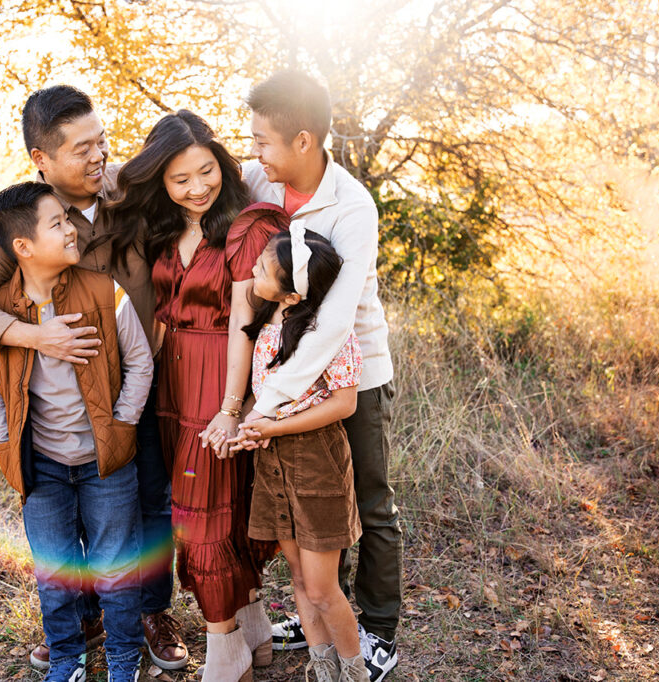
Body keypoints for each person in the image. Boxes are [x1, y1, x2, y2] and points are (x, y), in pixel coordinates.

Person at [0, 85, 188, 671]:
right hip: (70, 400)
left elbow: (197, 170)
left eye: (102, 140)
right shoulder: (26, 218)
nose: (99, 156)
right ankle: (82, 624)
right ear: (42, 160)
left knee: (149, 498)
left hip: (143, 373)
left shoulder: (124, 184)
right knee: (73, 513)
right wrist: (37, 336)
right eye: (83, 149)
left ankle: (151, 610)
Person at [101, 110, 280, 681]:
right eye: (181, 179)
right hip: (169, 387)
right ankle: (254, 630)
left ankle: (225, 648)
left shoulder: (246, 227)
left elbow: (245, 327)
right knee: (203, 514)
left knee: (208, 518)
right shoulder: (163, 229)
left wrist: (232, 409)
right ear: (161, 182)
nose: (198, 187)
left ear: (222, 165)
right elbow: (158, 320)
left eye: (207, 171)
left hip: (219, 382)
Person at [242, 71, 402, 681]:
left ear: (303, 140)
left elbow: (333, 325)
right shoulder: (263, 178)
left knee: (367, 498)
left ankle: (377, 630)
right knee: (303, 504)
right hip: (280, 370)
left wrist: (269, 403)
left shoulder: (353, 207)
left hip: (347, 375)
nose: (254, 152)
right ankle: (319, 607)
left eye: (263, 141)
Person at [0, 181, 153, 682]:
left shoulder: (102, 290)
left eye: (67, 219)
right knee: (54, 574)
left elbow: (139, 362)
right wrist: (5, 445)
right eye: (57, 223)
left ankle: (122, 654)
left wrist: (122, 426)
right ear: (23, 247)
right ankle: (68, 656)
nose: (72, 228)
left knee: (116, 568)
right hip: (41, 465)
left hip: (105, 459)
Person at [229, 223, 370, 682]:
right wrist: (249, 426)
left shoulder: (326, 333)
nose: (254, 267)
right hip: (271, 460)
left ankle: (353, 674)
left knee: (323, 586)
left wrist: (275, 426)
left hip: (314, 459)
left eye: (264, 268)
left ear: (291, 295)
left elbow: (343, 403)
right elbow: (262, 393)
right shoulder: (267, 319)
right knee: (297, 576)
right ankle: (323, 668)